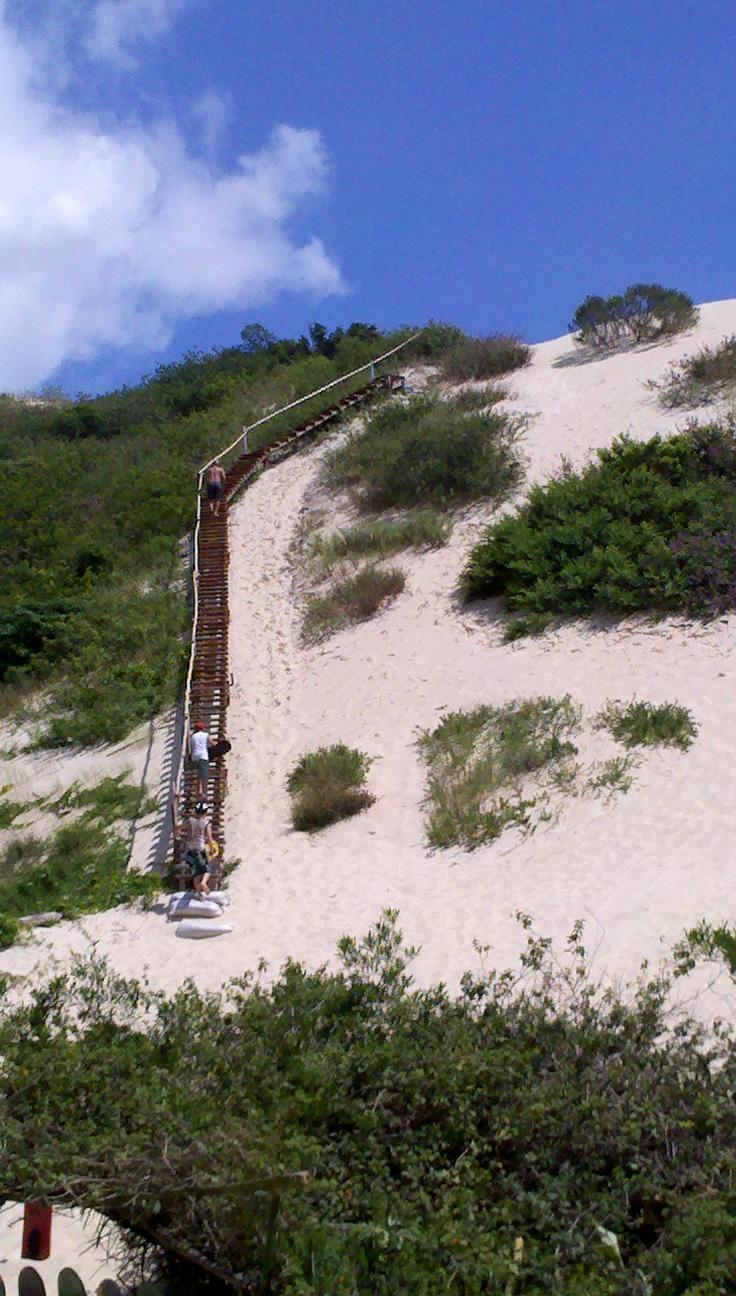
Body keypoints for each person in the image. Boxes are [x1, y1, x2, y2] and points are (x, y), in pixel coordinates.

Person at [179, 801, 216, 895]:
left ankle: (199, 894)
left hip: (189, 851)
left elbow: (178, 828)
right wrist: (212, 849)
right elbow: (209, 838)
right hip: (199, 849)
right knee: (206, 870)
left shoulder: (190, 820)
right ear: (205, 812)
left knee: (196, 872)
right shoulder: (206, 823)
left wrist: (178, 833)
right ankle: (203, 883)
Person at [190, 719, 210, 796]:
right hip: (203, 756)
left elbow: (192, 747)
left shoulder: (193, 736)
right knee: (204, 775)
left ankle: (199, 790)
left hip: (195, 756)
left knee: (199, 774)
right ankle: (202, 792)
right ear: (203, 728)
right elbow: (211, 742)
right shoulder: (205, 735)